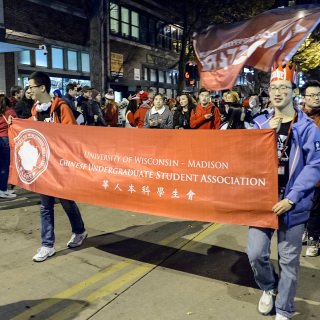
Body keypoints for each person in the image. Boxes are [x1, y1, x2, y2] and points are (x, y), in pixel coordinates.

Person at [246, 62, 320, 320]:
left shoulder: (308, 127)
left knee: (289, 260)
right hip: (263, 199)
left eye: (284, 87)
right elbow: (243, 158)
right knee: (256, 253)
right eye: (274, 87)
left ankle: (284, 309)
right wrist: (263, 136)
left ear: (293, 91)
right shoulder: (258, 123)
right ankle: (268, 287)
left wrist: (292, 197)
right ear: (268, 91)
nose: (278, 92)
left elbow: (315, 164)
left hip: (293, 201)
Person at [28, 71, 87, 262]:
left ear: (42, 88)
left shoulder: (61, 107)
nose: (29, 91)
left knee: (66, 201)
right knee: (45, 206)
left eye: (31, 87)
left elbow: (71, 136)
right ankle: (47, 245)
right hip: (44, 166)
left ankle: (79, 231)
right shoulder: (35, 110)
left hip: (60, 166)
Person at [300, 80, 320, 257]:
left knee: (315, 206)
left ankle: (314, 238)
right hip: (299, 170)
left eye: (318, 95)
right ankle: (308, 231)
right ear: (304, 97)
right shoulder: (297, 116)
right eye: (312, 95)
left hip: (317, 172)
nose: (316, 98)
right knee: (303, 204)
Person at [0, 94, 17, 199]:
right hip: (6, 140)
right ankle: (3, 190)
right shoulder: (9, 112)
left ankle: (3, 189)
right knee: (5, 166)